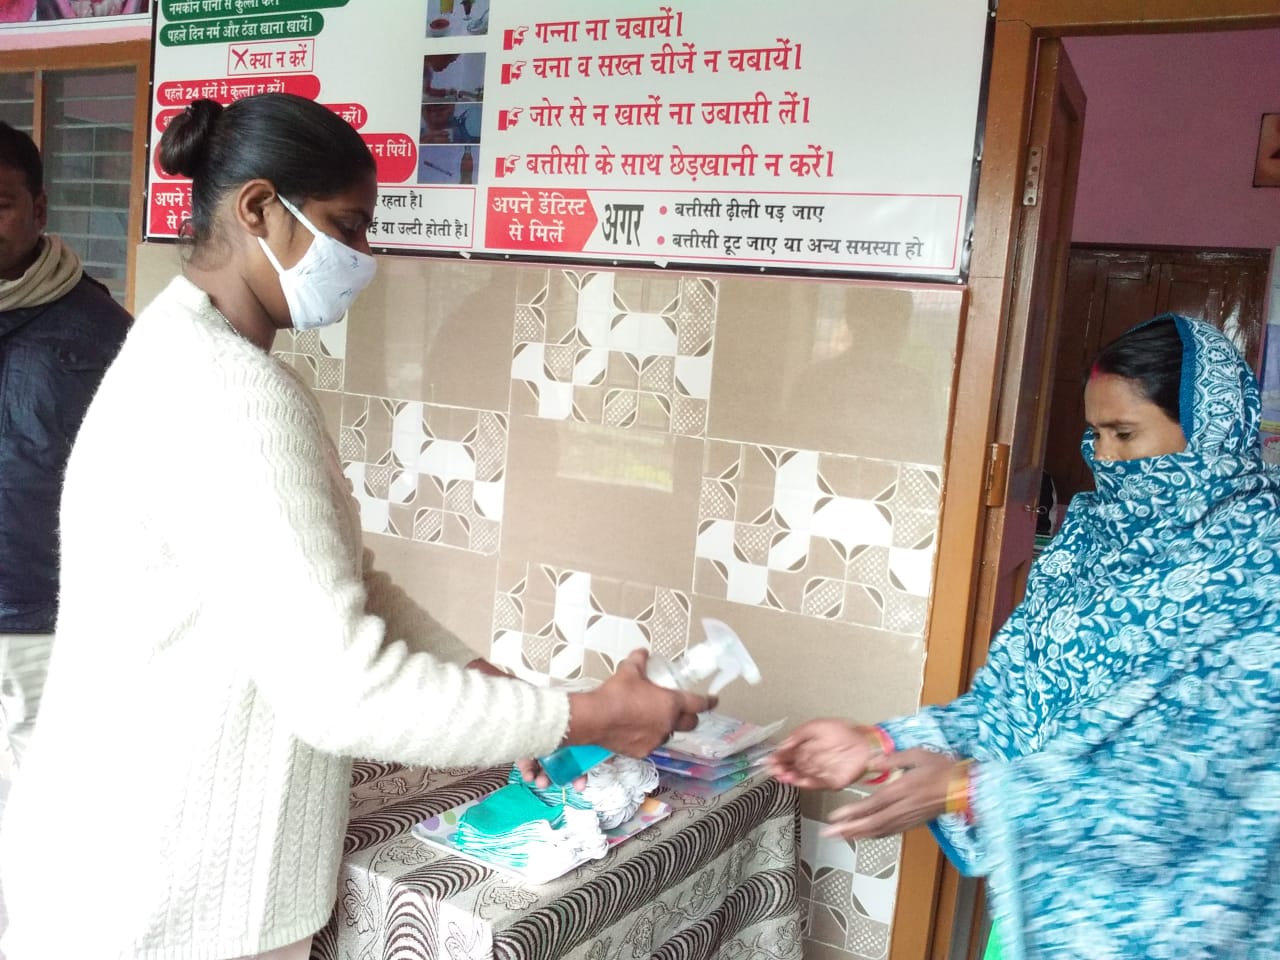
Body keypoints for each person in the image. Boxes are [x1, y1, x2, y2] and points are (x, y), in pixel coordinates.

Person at [0, 93, 711, 960]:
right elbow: (344, 692)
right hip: (168, 893)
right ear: (258, 208)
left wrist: (491, 684)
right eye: (348, 226)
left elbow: (341, 579)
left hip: (127, 854)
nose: (363, 258)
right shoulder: (228, 394)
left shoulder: (185, 347)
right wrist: (585, 717)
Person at [769, 315, 1280, 958]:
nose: (1105, 458)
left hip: (1184, 925)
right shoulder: (1091, 542)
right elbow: (1011, 704)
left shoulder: (1261, 571)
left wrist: (970, 788)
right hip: (1047, 908)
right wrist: (882, 743)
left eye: (1124, 433)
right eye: (1095, 434)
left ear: (1212, 430)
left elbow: (1205, 786)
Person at [0, 119, 131, 766]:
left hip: (39, 618)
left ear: (39, 209)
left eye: (0, 204)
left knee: (29, 789)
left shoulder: (102, 332)